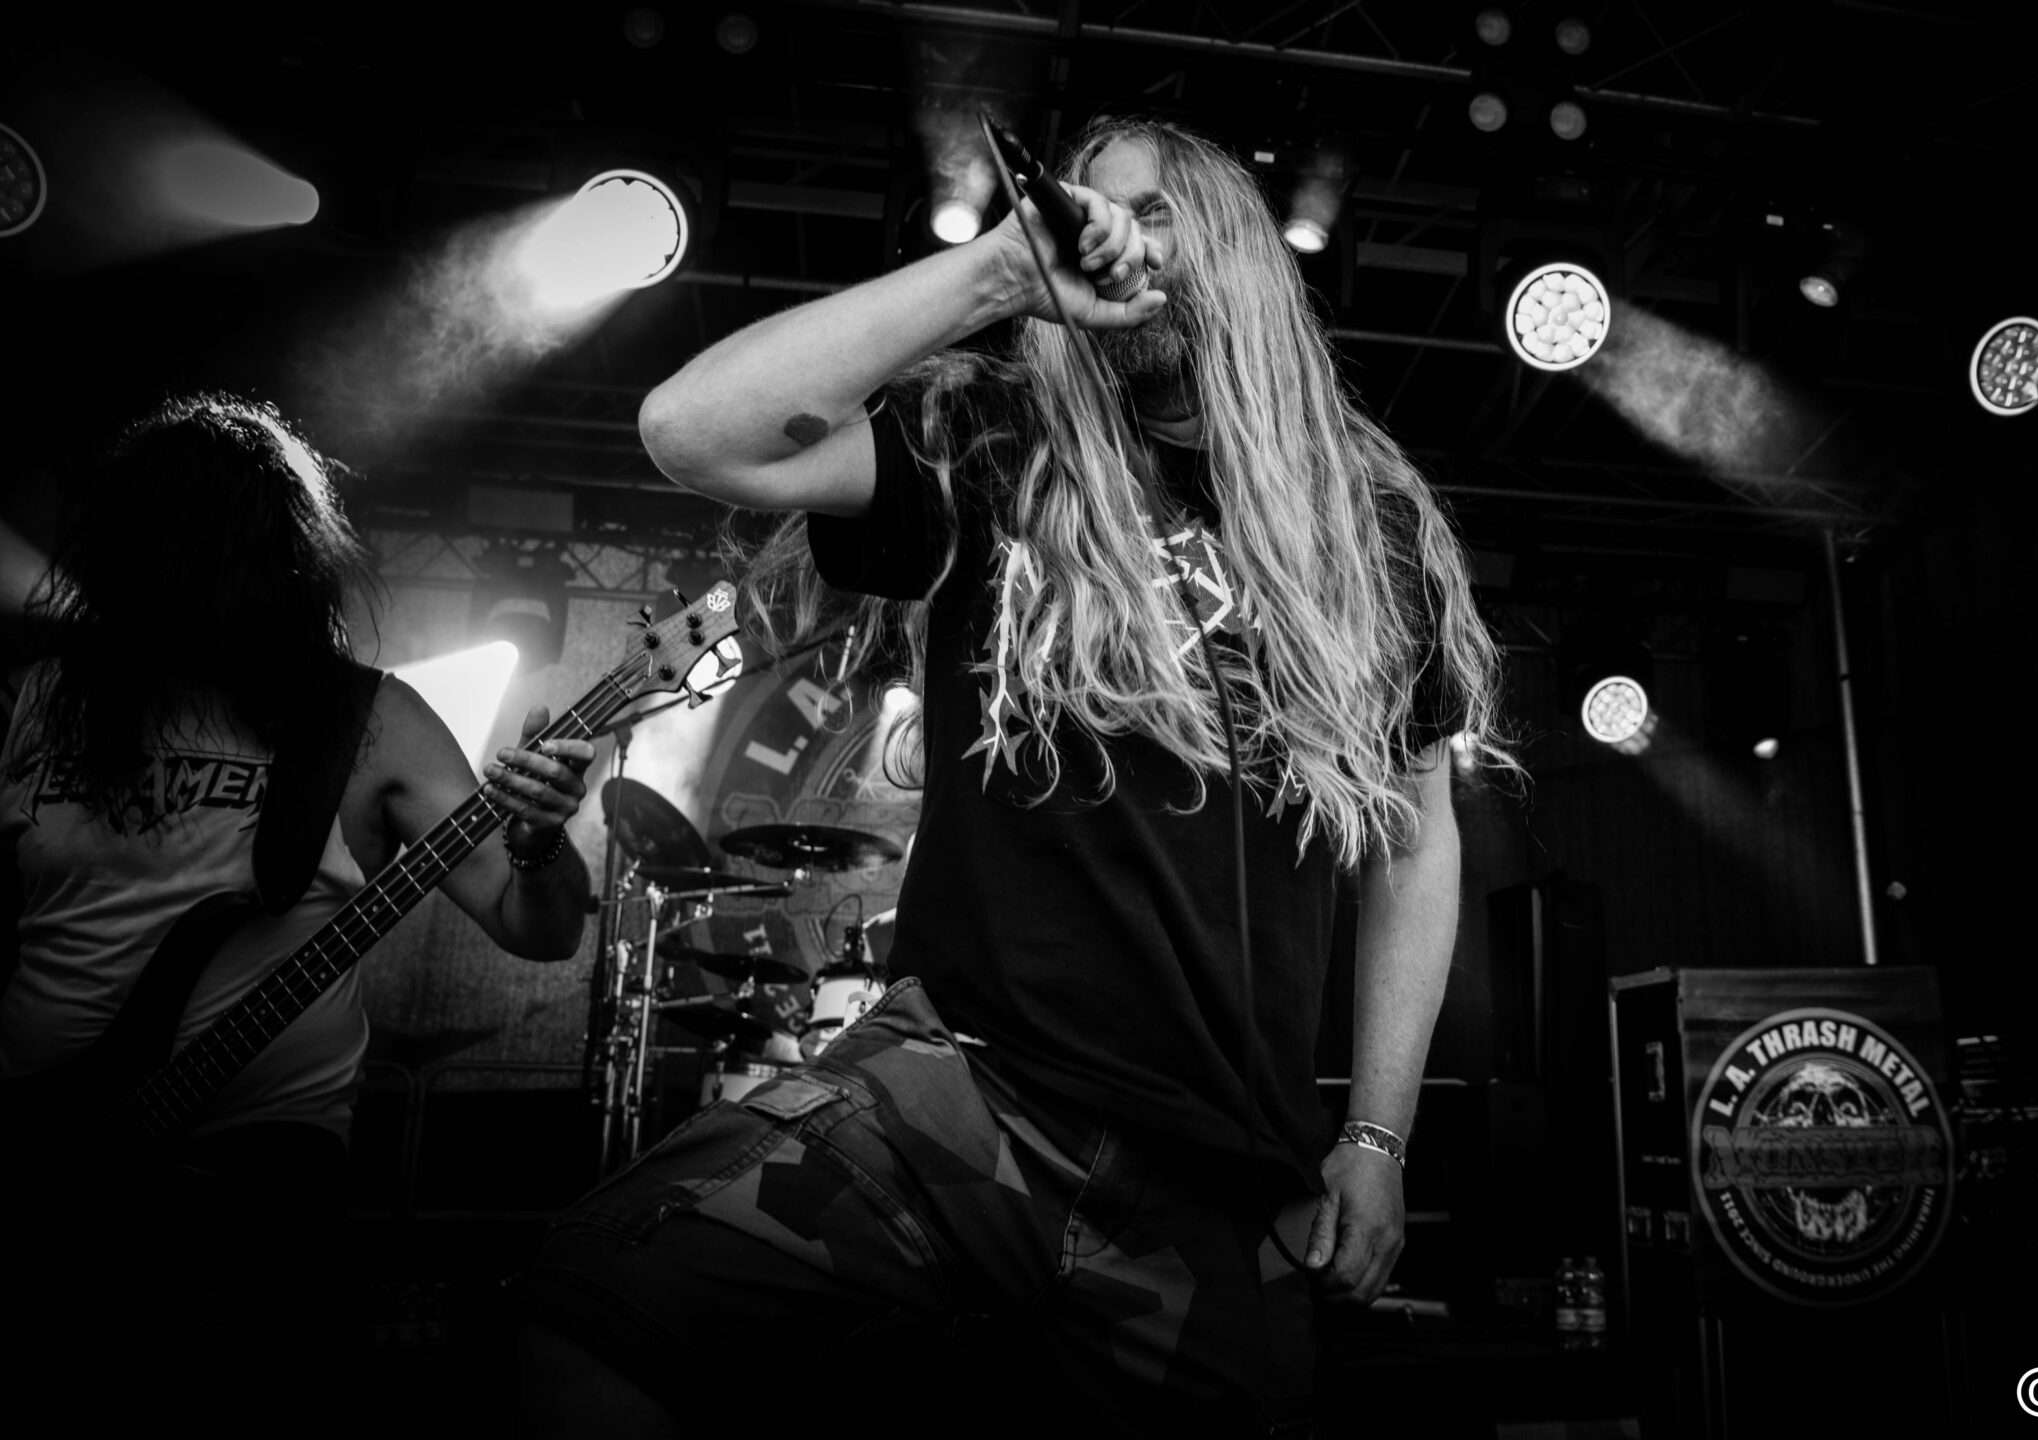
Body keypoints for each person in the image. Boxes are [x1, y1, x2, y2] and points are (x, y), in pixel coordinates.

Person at [515, 116, 1510, 1435]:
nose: (1114, 234)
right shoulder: (997, 438)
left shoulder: (1368, 522)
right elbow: (698, 430)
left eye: (1153, 211)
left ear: (1232, 247)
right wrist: (998, 272)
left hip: (1221, 1169)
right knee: (591, 1309)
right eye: (1089, 209)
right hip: (964, 1088)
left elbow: (1415, 838)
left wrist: (1377, 1139)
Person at [0, 394, 597, 1420]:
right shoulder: (43, 699)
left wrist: (540, 841)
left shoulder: (366, 721)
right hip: (36, 1149)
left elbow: (534, 929)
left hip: (257, 1177)